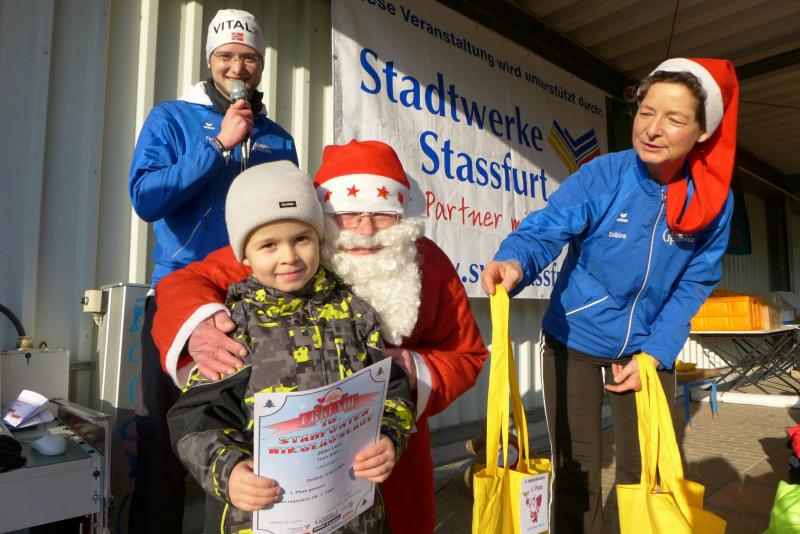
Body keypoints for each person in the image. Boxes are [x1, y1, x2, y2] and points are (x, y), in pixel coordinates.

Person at [153, 140, 488, 533]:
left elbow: (467, 354)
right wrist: (200, 326)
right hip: (273, 490)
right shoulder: (286, 246)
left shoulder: (429, 263)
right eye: (349, 214)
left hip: (384, 461)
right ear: (324, 216)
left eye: (383, 215)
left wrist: (411, 369)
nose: (366, 230)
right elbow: (185, 284)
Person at [481, 58, 739, 533]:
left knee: (643, 472)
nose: (652, 129)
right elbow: (547, 227)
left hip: (645, 349)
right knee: (577, 471)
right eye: (646, 112)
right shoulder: (607, 174)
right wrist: (515, 260)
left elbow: (695, 281)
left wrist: (655, 353)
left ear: (703, 132)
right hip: (575, 339)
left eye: (674, 119)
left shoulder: (713, 200)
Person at [127, 9, 297, 532]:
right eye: (226, 56)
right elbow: (146, 197)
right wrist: (219, 145)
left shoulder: (278, 138)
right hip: (181, 300)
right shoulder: (171, 117)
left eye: (249, 58)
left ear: (261, 64)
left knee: (251, 440)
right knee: (165, 442)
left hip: (255, 302)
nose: (237, 68)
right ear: (210, 59)